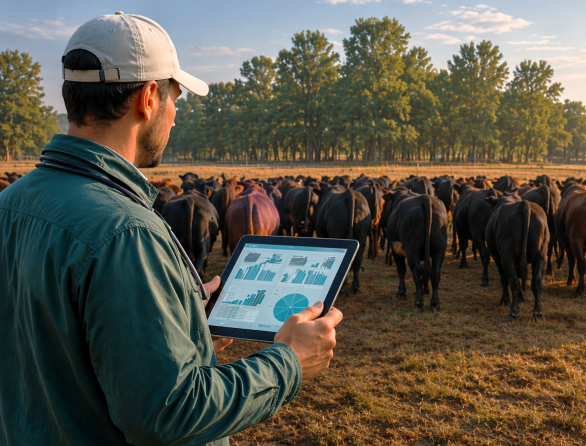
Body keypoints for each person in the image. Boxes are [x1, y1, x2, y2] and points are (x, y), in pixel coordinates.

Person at [0, 12, 341, 445]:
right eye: (175, 98)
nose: (175, 116)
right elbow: (167, 412)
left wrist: (187, 327)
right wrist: (289, 361)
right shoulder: (125, 232)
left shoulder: (10, 204)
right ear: (147, 99)